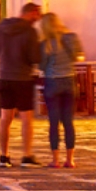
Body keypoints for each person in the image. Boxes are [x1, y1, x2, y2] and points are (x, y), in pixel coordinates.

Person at [0, 2, 43, 168]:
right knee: (26, 119)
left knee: (5, 118)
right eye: (37, 14)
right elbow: (35, 57)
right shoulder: (30, 31)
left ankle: (4, 155)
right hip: (23, 78)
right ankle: (27, 155)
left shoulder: (1, 27)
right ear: (30, 13)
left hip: (4, 77)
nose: (38, 18)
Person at [40, 12, 82, 168]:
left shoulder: (45, 44)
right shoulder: (71, 38)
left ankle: (55, 160)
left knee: (54, 122)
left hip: (52, 82)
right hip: (69, 81)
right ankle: (70, 159)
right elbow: (78, 57)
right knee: (68, 122)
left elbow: (42, 66)